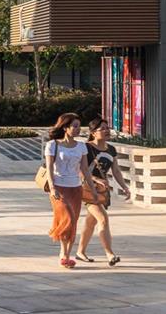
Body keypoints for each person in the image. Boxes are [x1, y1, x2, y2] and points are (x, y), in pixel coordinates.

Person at [44, 112, 99, 269]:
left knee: (73, 221)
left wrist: (93, 189)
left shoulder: (81, 146)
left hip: (75, 188)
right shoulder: (52, 145)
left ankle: (66, 254)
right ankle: (65, 253)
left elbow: (85, 170)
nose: (78, 129)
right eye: (74, 126)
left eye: (79, 126)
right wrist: (52, 187)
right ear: (65, 127)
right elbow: (49, 168)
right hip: (59, 188)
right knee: (66, 218)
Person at [76, 117, 130, 266]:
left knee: (91, 222)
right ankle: (110, 254)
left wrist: (124, 187)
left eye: (108, 128)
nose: (107, 131)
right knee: (103, 218)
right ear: (93, 132)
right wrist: (95, 179)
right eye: (103, 129)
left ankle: (80, 252)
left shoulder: (111, 149)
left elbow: (116, 170)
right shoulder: (86, 148)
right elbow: (80, 169)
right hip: (88, 189)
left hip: (102, 191)